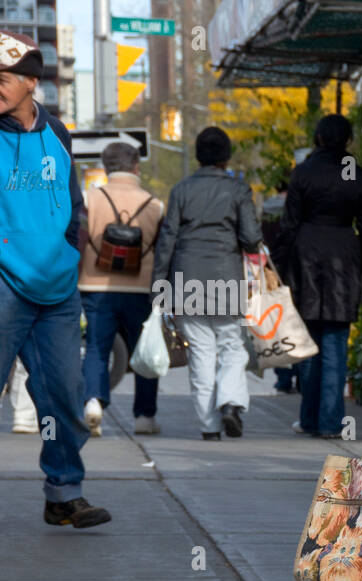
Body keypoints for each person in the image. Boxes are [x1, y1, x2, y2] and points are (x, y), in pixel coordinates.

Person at [0, 31, 111, 528]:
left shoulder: (58, 134)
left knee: (64, 392)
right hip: (5, 284)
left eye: (2, 78)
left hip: (58, 289)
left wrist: (72, 242)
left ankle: (64, 491)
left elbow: (73, 201)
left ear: (30, 81)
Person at [151, 126, 261, 440]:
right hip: (226, 281)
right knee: (232, 348)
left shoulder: (181, 190)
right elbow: (252, 239)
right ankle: (230, 403)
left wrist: (159, 288)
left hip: (186, 284)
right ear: (226, 156)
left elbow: (167, 241)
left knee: (200, 353)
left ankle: (209, 426)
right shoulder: (238, 190)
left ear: (199, 156)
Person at [277, 114, 362, 438]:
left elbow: (289, 224)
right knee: (335, 342)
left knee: (307, 342)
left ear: (318, 138)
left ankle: (308, 418)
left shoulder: (303, 172)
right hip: (343, 258)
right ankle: (331, 423)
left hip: (306, 256)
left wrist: (278, 264)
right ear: (347, 141)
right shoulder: (357, 176)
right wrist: (361, 263)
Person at [79, 141, 165, 436]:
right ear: (136, 167)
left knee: (96, 347)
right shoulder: (154, 205)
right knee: (144, 351)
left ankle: (93, 401)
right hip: (141, 288)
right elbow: (163, 248)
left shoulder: (90, 199)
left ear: (105, 167)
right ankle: (144, 416)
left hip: (95, 285)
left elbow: (77, 240)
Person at [259, 180, 301, 396]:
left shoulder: (267, 207)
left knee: (279, 323)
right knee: (299, 323)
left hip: (273, 271)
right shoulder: (298, 205)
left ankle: (283, 379)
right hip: (299, 269)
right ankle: (301, 376)